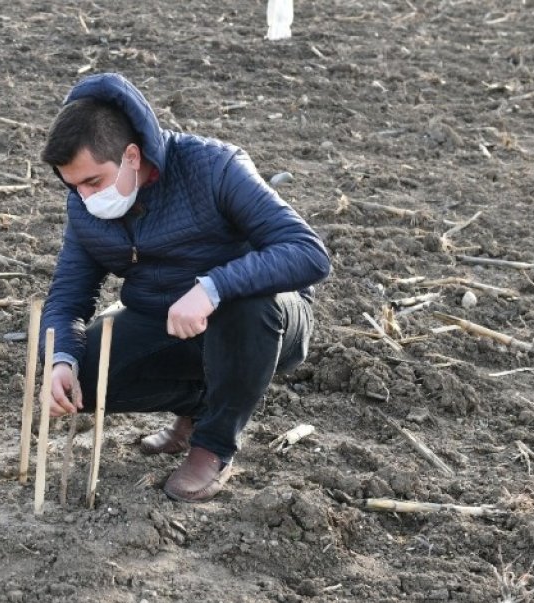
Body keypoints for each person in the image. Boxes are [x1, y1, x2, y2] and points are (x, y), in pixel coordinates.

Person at [38, 72, 331, 503]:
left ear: (132, 156)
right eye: (73, 186)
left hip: (263, 321)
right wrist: (61, 358)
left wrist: (213, 287)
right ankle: (196, 410)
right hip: (166, 321)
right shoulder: (85, 209)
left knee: (245, 307)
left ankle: (213, 447)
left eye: (94, 182)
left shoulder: (214, 167)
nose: (84, 198)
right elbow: (68, 295)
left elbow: (308, 253)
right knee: (85, 374)